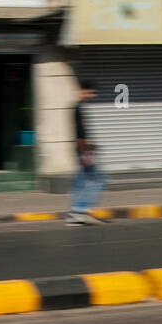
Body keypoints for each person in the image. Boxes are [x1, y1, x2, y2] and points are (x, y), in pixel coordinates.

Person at [67, 76, 110, 226]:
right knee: (99, 180)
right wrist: (86, 153)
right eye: (90, 92)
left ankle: (75, 214)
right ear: (82, 90)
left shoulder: (78, 106)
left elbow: (81, 134)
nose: (92, 96)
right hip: (83, 150)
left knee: (80, 181)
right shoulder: (78, 107)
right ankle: (80, 211)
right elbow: (79, 134)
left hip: (83, 149)